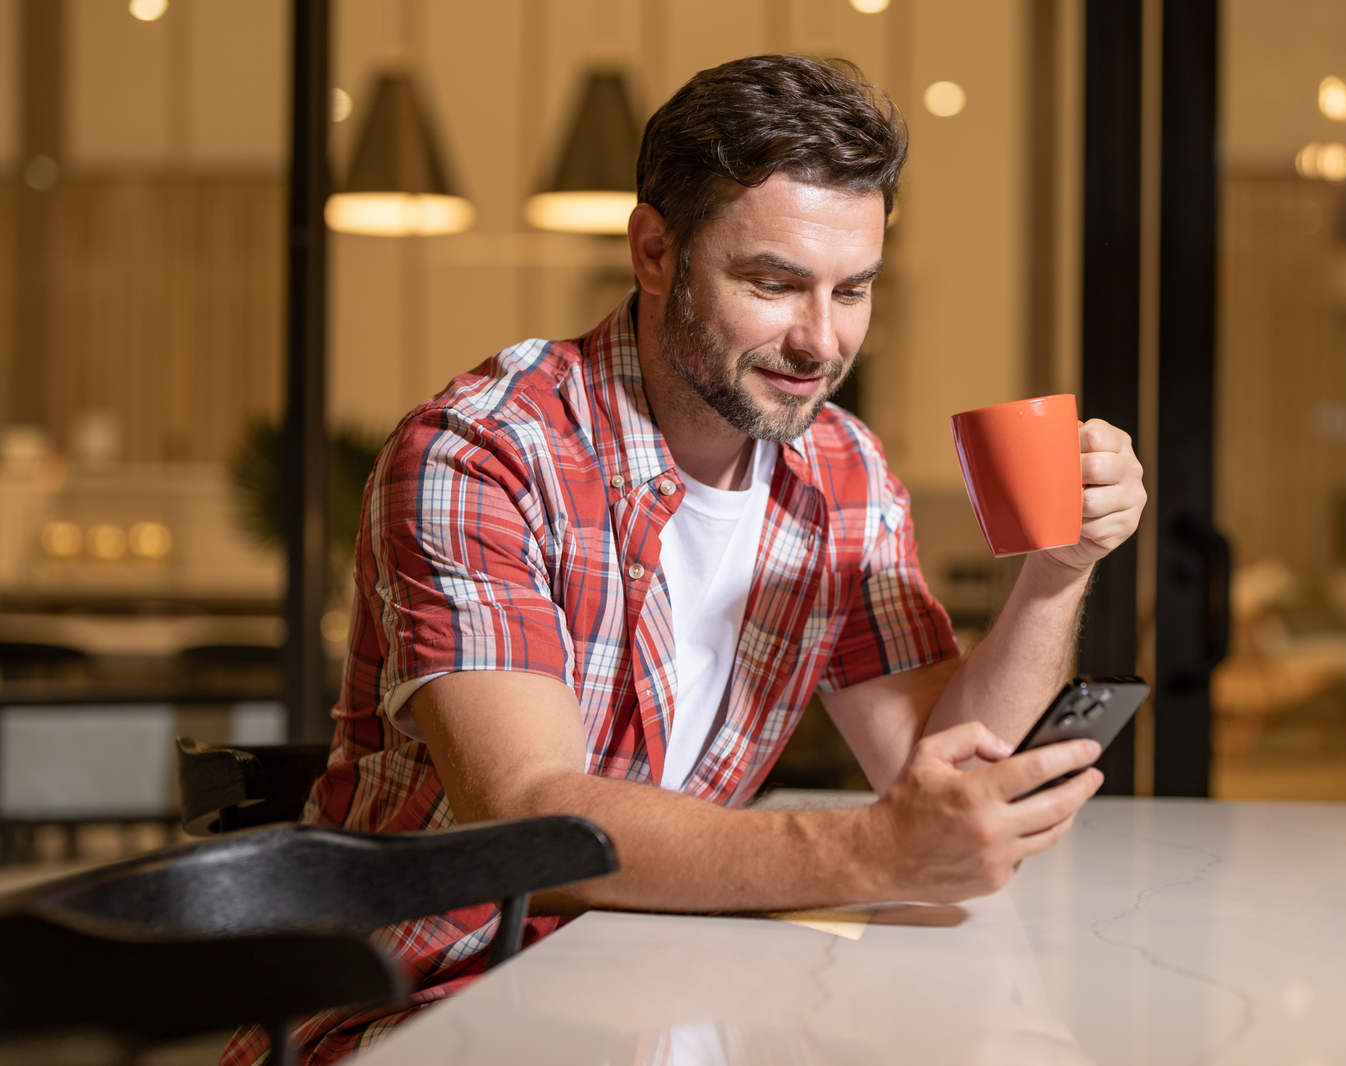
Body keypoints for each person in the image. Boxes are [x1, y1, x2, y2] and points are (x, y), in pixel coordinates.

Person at [224, 53, 1145, 1066]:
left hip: (661, 977)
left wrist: (1057, 571)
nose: (821, 341)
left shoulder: (841, 468)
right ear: (654, 250)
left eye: (854, 291)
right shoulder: (482, 455)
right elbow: (529, 815)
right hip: (425, 1002)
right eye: (775, 282)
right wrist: (877, 849)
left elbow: (941, 760)